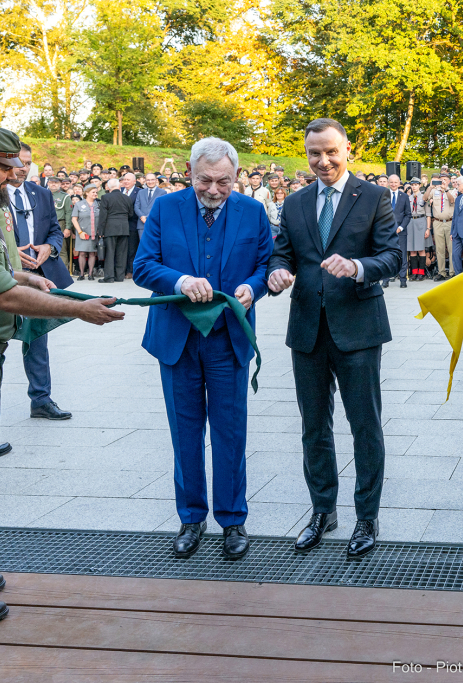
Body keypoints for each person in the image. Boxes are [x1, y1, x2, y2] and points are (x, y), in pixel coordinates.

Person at [0, 124, 123, 629]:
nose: (15, 175)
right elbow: (1, 296)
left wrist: (25, 273)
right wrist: (77, 308)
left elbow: (3, 274)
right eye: (6, 167)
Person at [266, 118, 400, 558]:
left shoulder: (376, 197)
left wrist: (359, 268)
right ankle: (323, 510)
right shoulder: (297, 201)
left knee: (365, 425)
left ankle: (367, 516)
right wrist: (277, 271)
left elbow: (393, 256)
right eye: (313, 153)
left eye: (330, 152)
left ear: (348, 150)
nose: (322, 161)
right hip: (306, 327)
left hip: (358, 328)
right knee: (313, 428)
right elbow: (283, 249)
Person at [133, 137, 272, 561]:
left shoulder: (253, 212)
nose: (213, 190)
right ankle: (191, 518)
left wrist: (253, 286)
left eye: (223, 182)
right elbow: (143, 266)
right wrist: (179, 281)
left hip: (229, 339)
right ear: (190, 174)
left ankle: (233, 520)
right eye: (204, 181)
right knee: (185, 432)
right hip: (177, 340)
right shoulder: (164, 208)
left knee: (230, 433)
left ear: (237, 176)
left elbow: (267, 264)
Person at [6, 143, 75, 420]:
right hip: (6, 274)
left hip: (40, 274)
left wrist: (50, 247)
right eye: (19, 162)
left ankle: (41, 399)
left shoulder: (42, 193)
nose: (23, 168)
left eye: (28, 163)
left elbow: (55, 230)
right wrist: (11, 252)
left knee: (37, 339)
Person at [97, 178, 134, 283]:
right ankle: (119, 276)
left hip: (110, 228)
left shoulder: (105, 197)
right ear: (119, 186)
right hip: (124, 227)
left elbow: (103, 215)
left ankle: (109, 277)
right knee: (122, 253)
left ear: (108, 187)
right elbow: (131, 214)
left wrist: (101, 231)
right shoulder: (127, 198)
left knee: (110, 253)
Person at [383, 173, 411, 288]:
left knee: (402, 255)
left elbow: (408, 215)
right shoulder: (383, 195)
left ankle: (403, 279)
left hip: (401, 231)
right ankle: (385, 279)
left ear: (399, 183)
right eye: (391, 182)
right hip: (386, 231)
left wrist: (400, 228)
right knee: (386, 255)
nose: (394, 184)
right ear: (388, 183)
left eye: (396, 182)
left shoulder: (404, 196)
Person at [425, 173, 455, 280]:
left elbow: (452, 201)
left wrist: (446, 190)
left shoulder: (453, 191)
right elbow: (424, 198)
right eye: (441, 180)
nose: (443, 182)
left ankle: (452, 272)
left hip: (450, 222)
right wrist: (430, 187)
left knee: (451, 248)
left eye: (445, 180)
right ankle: (442, 272)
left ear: (449, 181)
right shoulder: (434, 191)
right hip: (437, 222)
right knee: (439, 249)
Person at [71, 184, 99, 280]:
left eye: (96, 192)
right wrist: (80, 232)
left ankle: (90, 274)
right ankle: (82, 274)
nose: (95, 194)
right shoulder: (79, 204)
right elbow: (74, 219)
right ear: (87, 193)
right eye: (93, 192)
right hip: (82, 232)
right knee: (82, 253)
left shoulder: (99, 204)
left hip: (94, 232)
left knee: (92, 253)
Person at [405, 177, 429, 280]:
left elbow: (428, 214)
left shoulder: (424, 197)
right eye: (412, 185)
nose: (414, 187)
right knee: (412, 250)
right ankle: (414, 273)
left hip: (421, 222)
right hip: (410, 223)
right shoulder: (408, 198)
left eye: (416, 185)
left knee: (421, 249)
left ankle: (421, 272)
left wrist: (428, 228)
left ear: (419, 185)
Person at [134, 172, 163, 239]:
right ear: (145, 181)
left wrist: (147, 217)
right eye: (148, 180)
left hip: (155, 224)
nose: (150, 182)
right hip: (142, 225)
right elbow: (136, 206)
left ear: (156, 180)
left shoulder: (162, 192)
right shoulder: (141, 192)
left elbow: (161, 208)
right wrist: (142, 216)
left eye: (152, 179)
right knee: (143, 245)